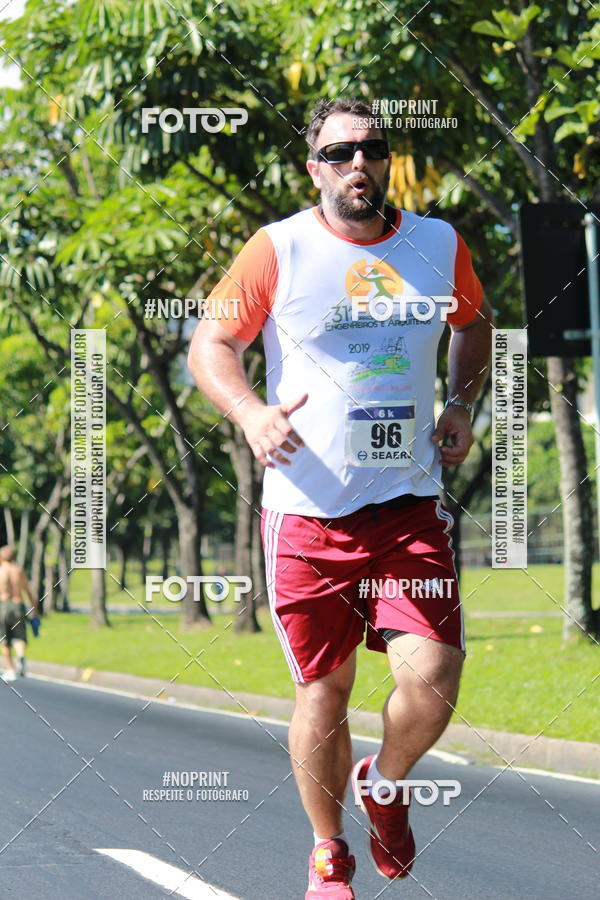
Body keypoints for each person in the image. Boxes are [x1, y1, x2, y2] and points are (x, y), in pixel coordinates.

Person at [188, 97, 493, 899]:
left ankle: (384, 784)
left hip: (407, 504)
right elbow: (212, 341)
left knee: (434, 677)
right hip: (306, 513)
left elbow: (475, 323)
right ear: (314, 167)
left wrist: (461, 402)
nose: (360, 163)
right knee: (324, 692)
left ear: (386, 161)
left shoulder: (437, 243)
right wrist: (250, 412)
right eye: (341, 152)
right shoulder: (278, 248)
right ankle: (329, 852)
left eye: (373, 149)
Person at [0, 545, 40, 681]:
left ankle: (11, 670)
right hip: (18, 606)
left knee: (5, 640)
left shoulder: (1, 571)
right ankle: (21, 657)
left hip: (3, 606)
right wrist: (35, 611)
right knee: (20, 636)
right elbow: (29, 592)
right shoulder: (19, 571)